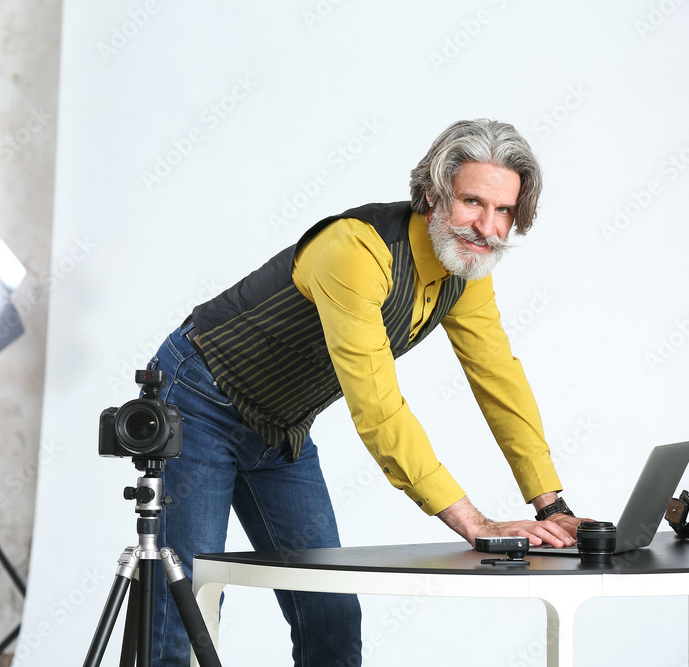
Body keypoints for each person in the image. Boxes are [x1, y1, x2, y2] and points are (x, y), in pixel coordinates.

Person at [147, 118, 585, 666]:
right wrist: (473, 522)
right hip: (197, 400)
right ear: (433, 193)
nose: (487, 227)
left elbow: (498, 377)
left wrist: (552, 503)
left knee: (330, 614)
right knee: (184, 615)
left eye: (504, 211)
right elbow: (378, 407)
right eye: (473, 201)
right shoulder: (357, 251)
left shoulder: (466, 271)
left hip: (280, 429)